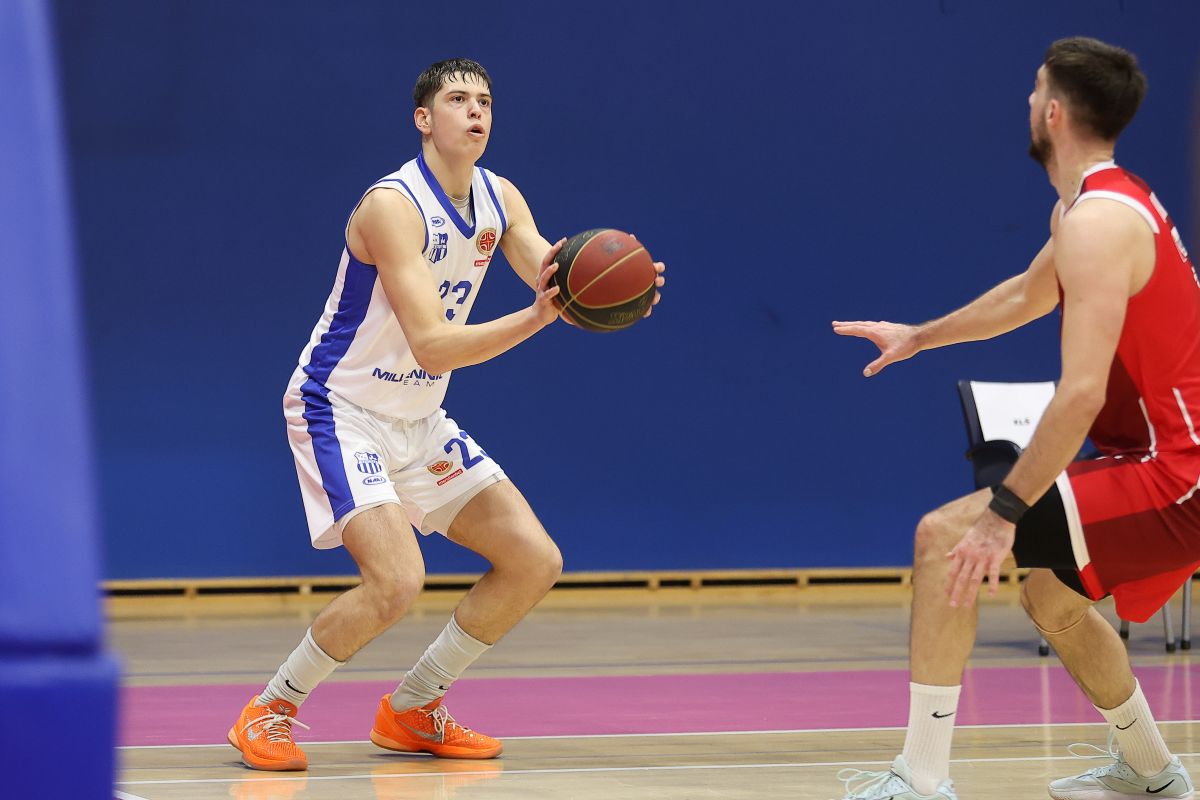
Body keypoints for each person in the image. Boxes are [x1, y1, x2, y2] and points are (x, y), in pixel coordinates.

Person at [227, 57, 665, 771]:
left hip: (419, 417)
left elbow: (555, 281)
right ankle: (270, 709)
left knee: (532, 560)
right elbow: (433, 345)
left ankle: (413, 708)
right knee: (397, 581)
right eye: (458, 98)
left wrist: (619, 290)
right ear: (424, 119)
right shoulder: (390, 206)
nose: (476, 110)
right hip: (343, 406)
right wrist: (539, 317)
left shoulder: (502, 197)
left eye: (486, 100)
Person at [832, 37, 1200, 800]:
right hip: (1157, 462)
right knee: (1050, 596)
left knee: (944, 537)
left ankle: (921, 779)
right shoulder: (1091, 205)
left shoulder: (1101, 223)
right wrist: (918, 336)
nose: (1028, 103)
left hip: (1175, 474)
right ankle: (1151, 770)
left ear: (1055, 112)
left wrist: (1003, 514)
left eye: (1035, 91)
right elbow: (1022, 297)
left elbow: (1080, 395)